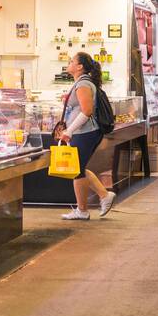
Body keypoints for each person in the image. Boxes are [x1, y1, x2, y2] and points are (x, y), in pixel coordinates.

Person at [53, 52, 115, 220]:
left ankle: (91, 204)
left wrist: (69, 131)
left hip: (85, 132)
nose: (69, 63)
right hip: (83, 132)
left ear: (79, 66)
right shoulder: (81, 83)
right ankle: (96, 200)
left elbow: (86, 111)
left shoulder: (83, 84)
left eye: (72, 61)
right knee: (78, 169)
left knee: (77, 170)